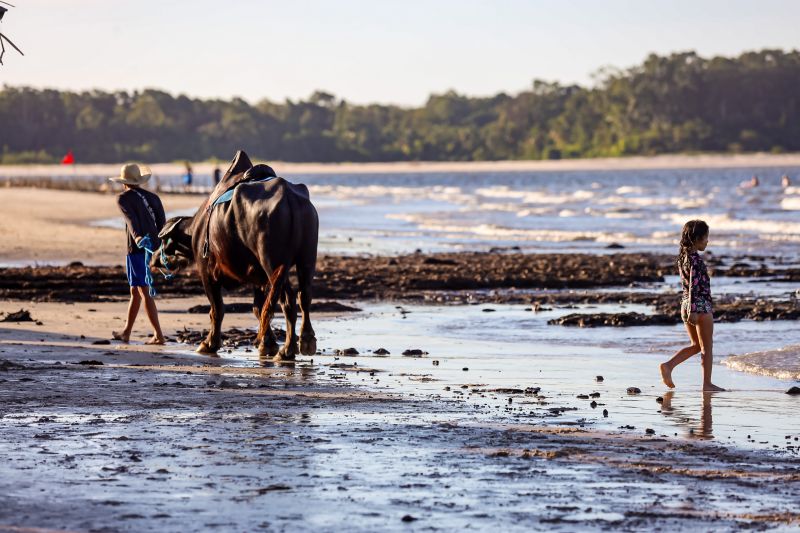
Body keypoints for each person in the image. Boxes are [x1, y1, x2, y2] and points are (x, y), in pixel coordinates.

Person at [660, 220, 724, 392]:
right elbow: (695, 284)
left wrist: (689, 308)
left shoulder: (683, 257)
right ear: (696, 238)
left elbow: (688, 285)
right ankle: (707, 384)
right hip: (699, 305)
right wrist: (694, 310)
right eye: (705, 238)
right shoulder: (695, 259)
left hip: (686, 303)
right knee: (707, 347)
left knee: (696, 345)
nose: (707, 241)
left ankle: (668, 366)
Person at [110, 163, 167, 345]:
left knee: (143, 290)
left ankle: (158, 335)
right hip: (154, 247)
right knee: (135, 290)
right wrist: (160, 245)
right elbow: (162, 224)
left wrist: (138, 238)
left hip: (138, 248)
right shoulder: (153, 197)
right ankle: (126, 332)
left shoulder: (123, 199)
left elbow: (131, 220)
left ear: (124, 182)